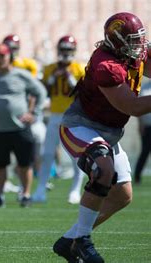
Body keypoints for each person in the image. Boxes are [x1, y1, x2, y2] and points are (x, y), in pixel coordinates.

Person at [52, 12, 151, 263]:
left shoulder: (133, 53)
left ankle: (70, 240)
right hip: (81, 126)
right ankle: (83, 241)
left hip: (109, 132)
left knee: (122, 196)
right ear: (116, 41)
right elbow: (133, 107)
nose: (139, 46)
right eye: (133, 40)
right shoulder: (105, 65)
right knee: (102, 167)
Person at [0, 43, 46, 208]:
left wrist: (34, 113)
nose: (0, 59)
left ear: (9, 57)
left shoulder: (21, 75)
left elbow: (40, 92)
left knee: (24, 164)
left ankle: (25, 194)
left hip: (20, 128)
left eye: (3, 55)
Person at [32, 36, 86, 204]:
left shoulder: (80, 68)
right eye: (63, 50)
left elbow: (82, 92)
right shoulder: (50, 69)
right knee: (47, 154)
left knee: (77, 156)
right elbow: (43, 92)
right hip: (55, 115)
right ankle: (41, 189)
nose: (65, 54)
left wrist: (70, 78)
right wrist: (52, 78)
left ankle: (75, 190)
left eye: (68, 50)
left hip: (74, 117)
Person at [134, 80, 151, 185]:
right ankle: (137, 177)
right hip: (147, 126)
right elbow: (139, 106)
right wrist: (140, 124)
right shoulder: (144, 87)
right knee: (145, 151)